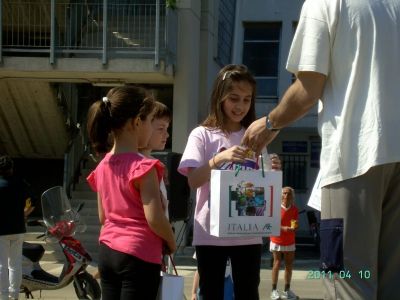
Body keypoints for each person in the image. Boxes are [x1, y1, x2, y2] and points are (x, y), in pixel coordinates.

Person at [242, 1, 400, 299]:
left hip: (355, 157)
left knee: (350, 283)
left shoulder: (326, 3)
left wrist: (270, 123)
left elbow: (309, 88)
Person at [178, 64, 281, 300]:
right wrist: (219, 158)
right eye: (234, 98)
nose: (241, 106)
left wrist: (271, 168)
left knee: (248, 292)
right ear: (219, 96)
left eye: (247, 100)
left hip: (249, 231)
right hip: (210, 233)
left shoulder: (255, 135)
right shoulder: (201, 134)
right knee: (211, 292)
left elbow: (261, 180)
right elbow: (193, 181)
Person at [86, 86, 176, 300]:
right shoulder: (144, 167)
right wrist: (171, 242)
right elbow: (154, 218)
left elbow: (103, 216)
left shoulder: (103, 165)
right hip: (139, 255)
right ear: (137, 122)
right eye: (149, 121)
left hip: (108, 251)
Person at [0, 155, 33, 300]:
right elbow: (32, 201)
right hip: (18, 228)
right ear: (11, 169)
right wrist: (25, 214)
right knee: (15, 264)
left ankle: (4, 296)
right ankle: (14, 295)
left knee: (2, 266)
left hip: (1, 231)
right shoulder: (21, 183)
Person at [139, 101, 172, 219]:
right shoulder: (140, 166)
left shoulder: (156, 164)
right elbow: (155, 218)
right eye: (161, 128)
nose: (167, 134)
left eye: (166, 128)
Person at [270, 187, 298, 300]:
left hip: (290, 240)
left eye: (289, 193)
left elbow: (294, 225)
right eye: (284, 193)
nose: (286, 195)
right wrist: (284, 228)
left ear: (292, 196)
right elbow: (272, 224)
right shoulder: (275, 208)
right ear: (281, 195)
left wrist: (294, 227)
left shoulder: (295, 209)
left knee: (289, 265)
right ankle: (273, 290)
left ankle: (287, 290)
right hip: (277, 240)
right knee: (276, 263)